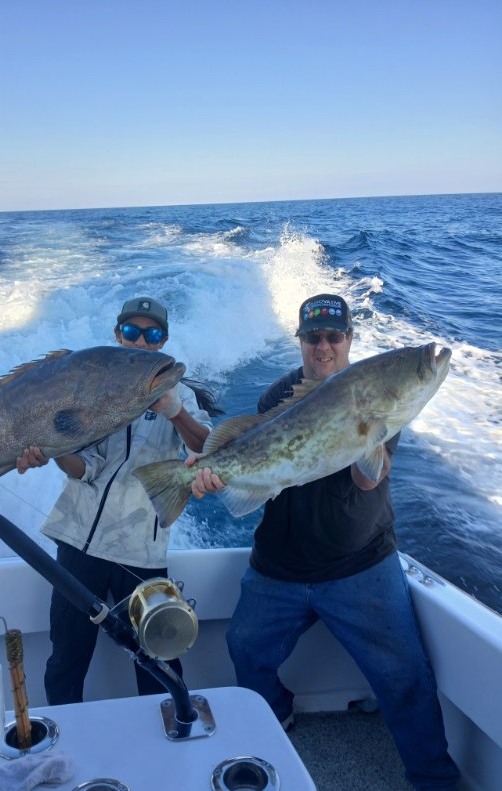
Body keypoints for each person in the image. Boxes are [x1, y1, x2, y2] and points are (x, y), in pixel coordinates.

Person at [189, 293, 460, 791]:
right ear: (301, 342)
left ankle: (434, 779)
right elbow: (258, 468)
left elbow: (366, 481)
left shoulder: (374, 398)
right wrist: (214, 472)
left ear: (350, 339)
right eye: (313, 338)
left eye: (335, 336)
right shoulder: (278, 396)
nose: (324, 347)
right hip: (280, 567)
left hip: (361, 564)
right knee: (244, 649)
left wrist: (367, 441)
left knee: (404, 677)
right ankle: (278, 714)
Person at [17, 296, 213, 705]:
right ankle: (66, 744)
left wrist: (175, 411)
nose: (141, 342)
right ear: (117, 336)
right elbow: (84, 467)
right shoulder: (89, 392)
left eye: (152, 334)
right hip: (78, 543)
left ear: (163, 343)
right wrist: (49, 450)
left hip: (142, 551)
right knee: (66, 659)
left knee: (158, 661)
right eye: (131, 332)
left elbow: (210, 450)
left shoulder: (182, 396)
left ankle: (170, 741)